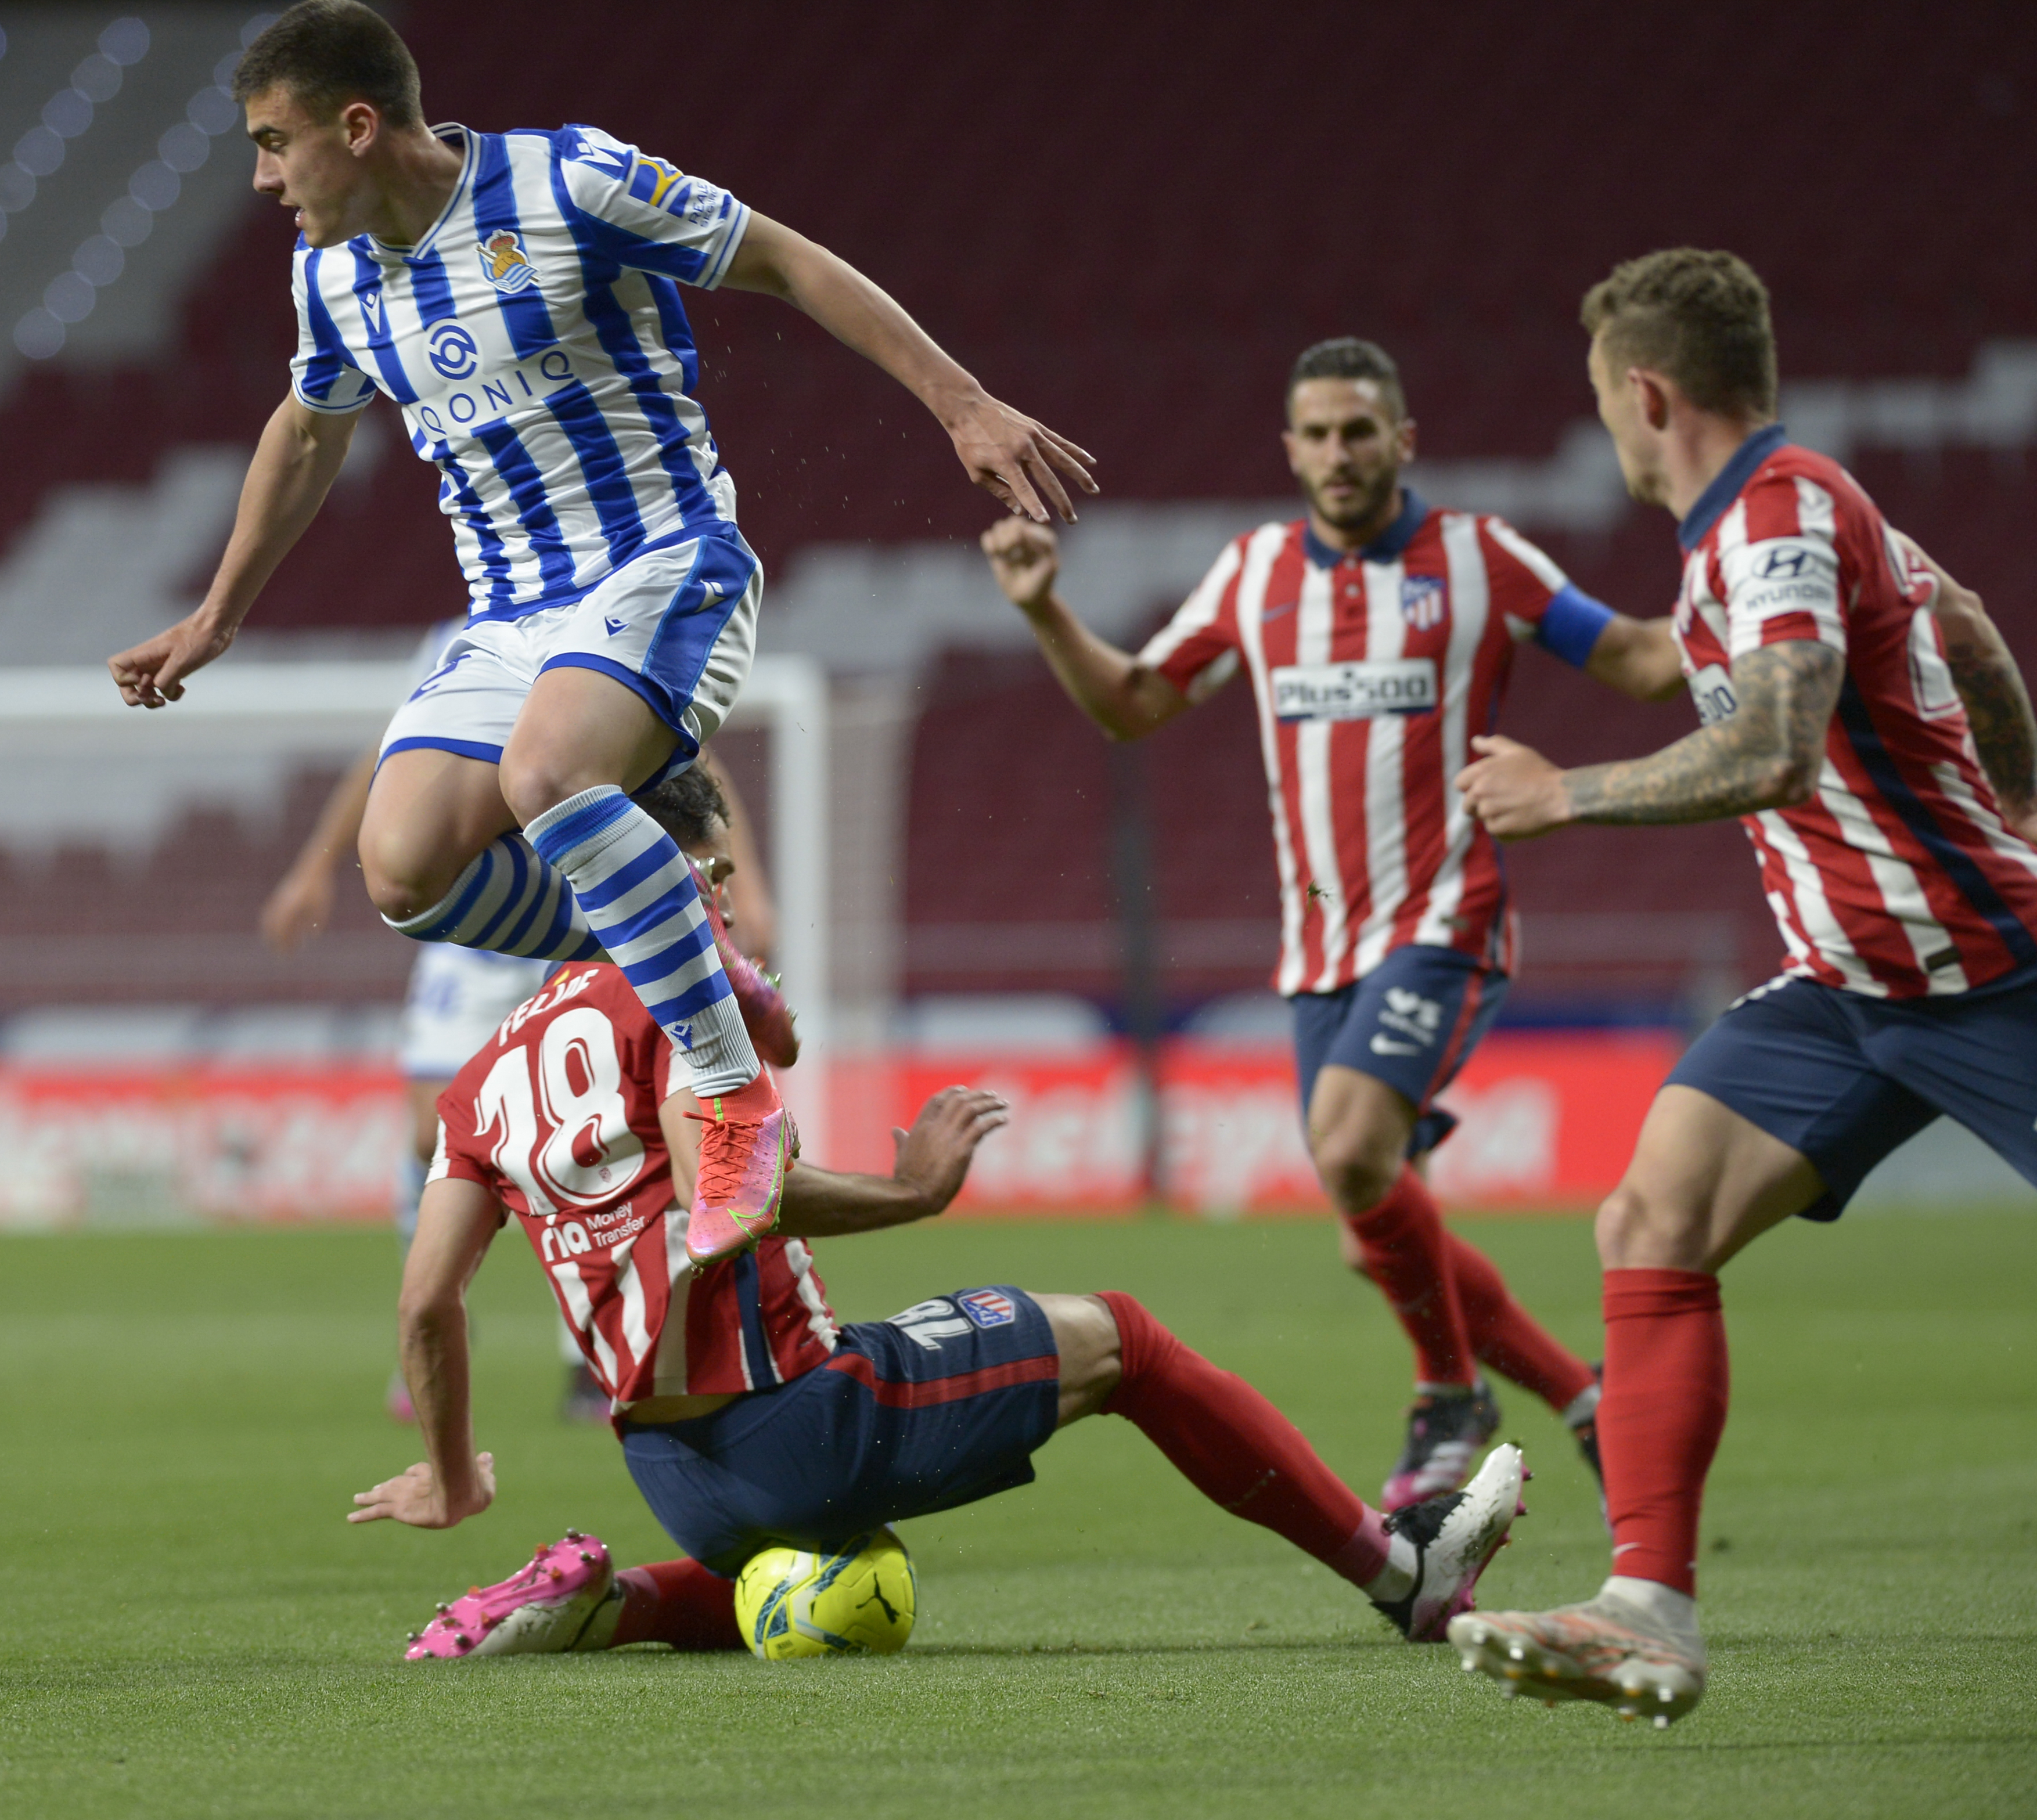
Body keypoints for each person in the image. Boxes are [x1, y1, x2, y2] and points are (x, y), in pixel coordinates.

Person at [109, 0, 1093, 1264]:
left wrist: (960, 406)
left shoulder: (572, 181)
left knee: (548, 775)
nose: (261, 180)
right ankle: (699, 952)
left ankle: (733, 1096)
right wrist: (218, 614)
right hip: (512, 612)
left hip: (664, 562)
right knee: (404, 870)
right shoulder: (333, 275)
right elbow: (308, 430)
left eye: (272, 143)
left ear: (356, 127)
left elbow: (785, 258)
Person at [347, 769, 1528, 1660]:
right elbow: (731, 1191)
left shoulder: (483, 1073)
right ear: (650, 878)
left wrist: (451, 1473)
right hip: (798, 1417)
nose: (726, 900)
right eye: (709, 875)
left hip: (670, 1467)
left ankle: (615, 1596)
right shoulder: (675, 997)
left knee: (835, 1555)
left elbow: (423, 1302)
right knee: (1124, 1337)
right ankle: (1403, 1574)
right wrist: (914, 1192)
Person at [1444, 250, 2037, 1725]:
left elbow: (1771, 745)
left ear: (1642, 392)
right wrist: (2024, 801)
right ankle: (1644, 1609)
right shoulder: (1775, 521)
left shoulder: (1773, 516)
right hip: (1847, 988)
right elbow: (1957, 619)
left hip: (1991, 972)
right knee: (1650, 1213)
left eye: (1599, 401)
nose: (1604, 428)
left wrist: (1561, 794)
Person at [978, 338, 1685, 1511]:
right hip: (1321, 954)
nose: (1339, 453)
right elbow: (1135, 704)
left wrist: (1752, 618)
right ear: (1291, 448)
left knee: (1354, 1151)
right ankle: (1585, 1400)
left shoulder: (1477, 558)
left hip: (1445, 920)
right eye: (1317, 433)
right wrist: (1046, 606)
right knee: (1379, 1236)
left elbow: (1641, 660)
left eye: (1361, 430)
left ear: (1402, 440)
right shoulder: (1255, 572)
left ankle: (1448, 1395)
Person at [260, 626, 791, 1421]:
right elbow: (389, 761)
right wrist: (313, 866)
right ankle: (442, 1315)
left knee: (605, 1118)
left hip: (590, 892)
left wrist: (745, 888)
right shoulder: (459, 641)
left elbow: (693, 758)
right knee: (430, 1130)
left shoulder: (614, 615)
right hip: (488, 907)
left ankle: (592, 1349)